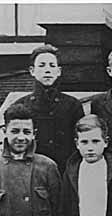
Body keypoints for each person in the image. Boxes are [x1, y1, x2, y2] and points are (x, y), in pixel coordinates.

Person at [15, 44, 84, 175]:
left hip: (65, 175)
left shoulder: (72, 105)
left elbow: (79, 145)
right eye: (42, 65)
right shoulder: (21, 106)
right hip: (31, 174)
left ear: (58, 71)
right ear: (32, 71)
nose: (47, 70)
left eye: (52, 66)